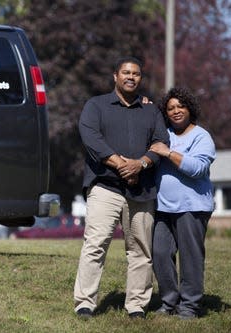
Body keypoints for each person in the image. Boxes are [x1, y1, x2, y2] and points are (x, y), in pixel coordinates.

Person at [74, 56, 169, 319]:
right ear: (115, 76)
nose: (130, 77)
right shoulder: (96, 106)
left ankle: (136, 305)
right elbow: (91, 138)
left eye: (136, 74)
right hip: (105, 188)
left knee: (140, 249)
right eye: (125, 72)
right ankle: (85, 302)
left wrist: (141, 164)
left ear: (141, 78)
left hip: (142, 189)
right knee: (95, 244)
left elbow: (161, 142)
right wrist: (121, 165)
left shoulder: (151, 111)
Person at [149, 87, 216, 319]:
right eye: (170, 108)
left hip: (192, 207)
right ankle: (169, 302)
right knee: (159, 253)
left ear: (190, 109)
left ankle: (190, 306)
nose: (176, 111)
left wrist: (168, 153)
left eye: (180, 106)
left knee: (191, 258)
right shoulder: (163, 134)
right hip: (162, 207)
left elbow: (198, 169)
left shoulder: (201, 136)